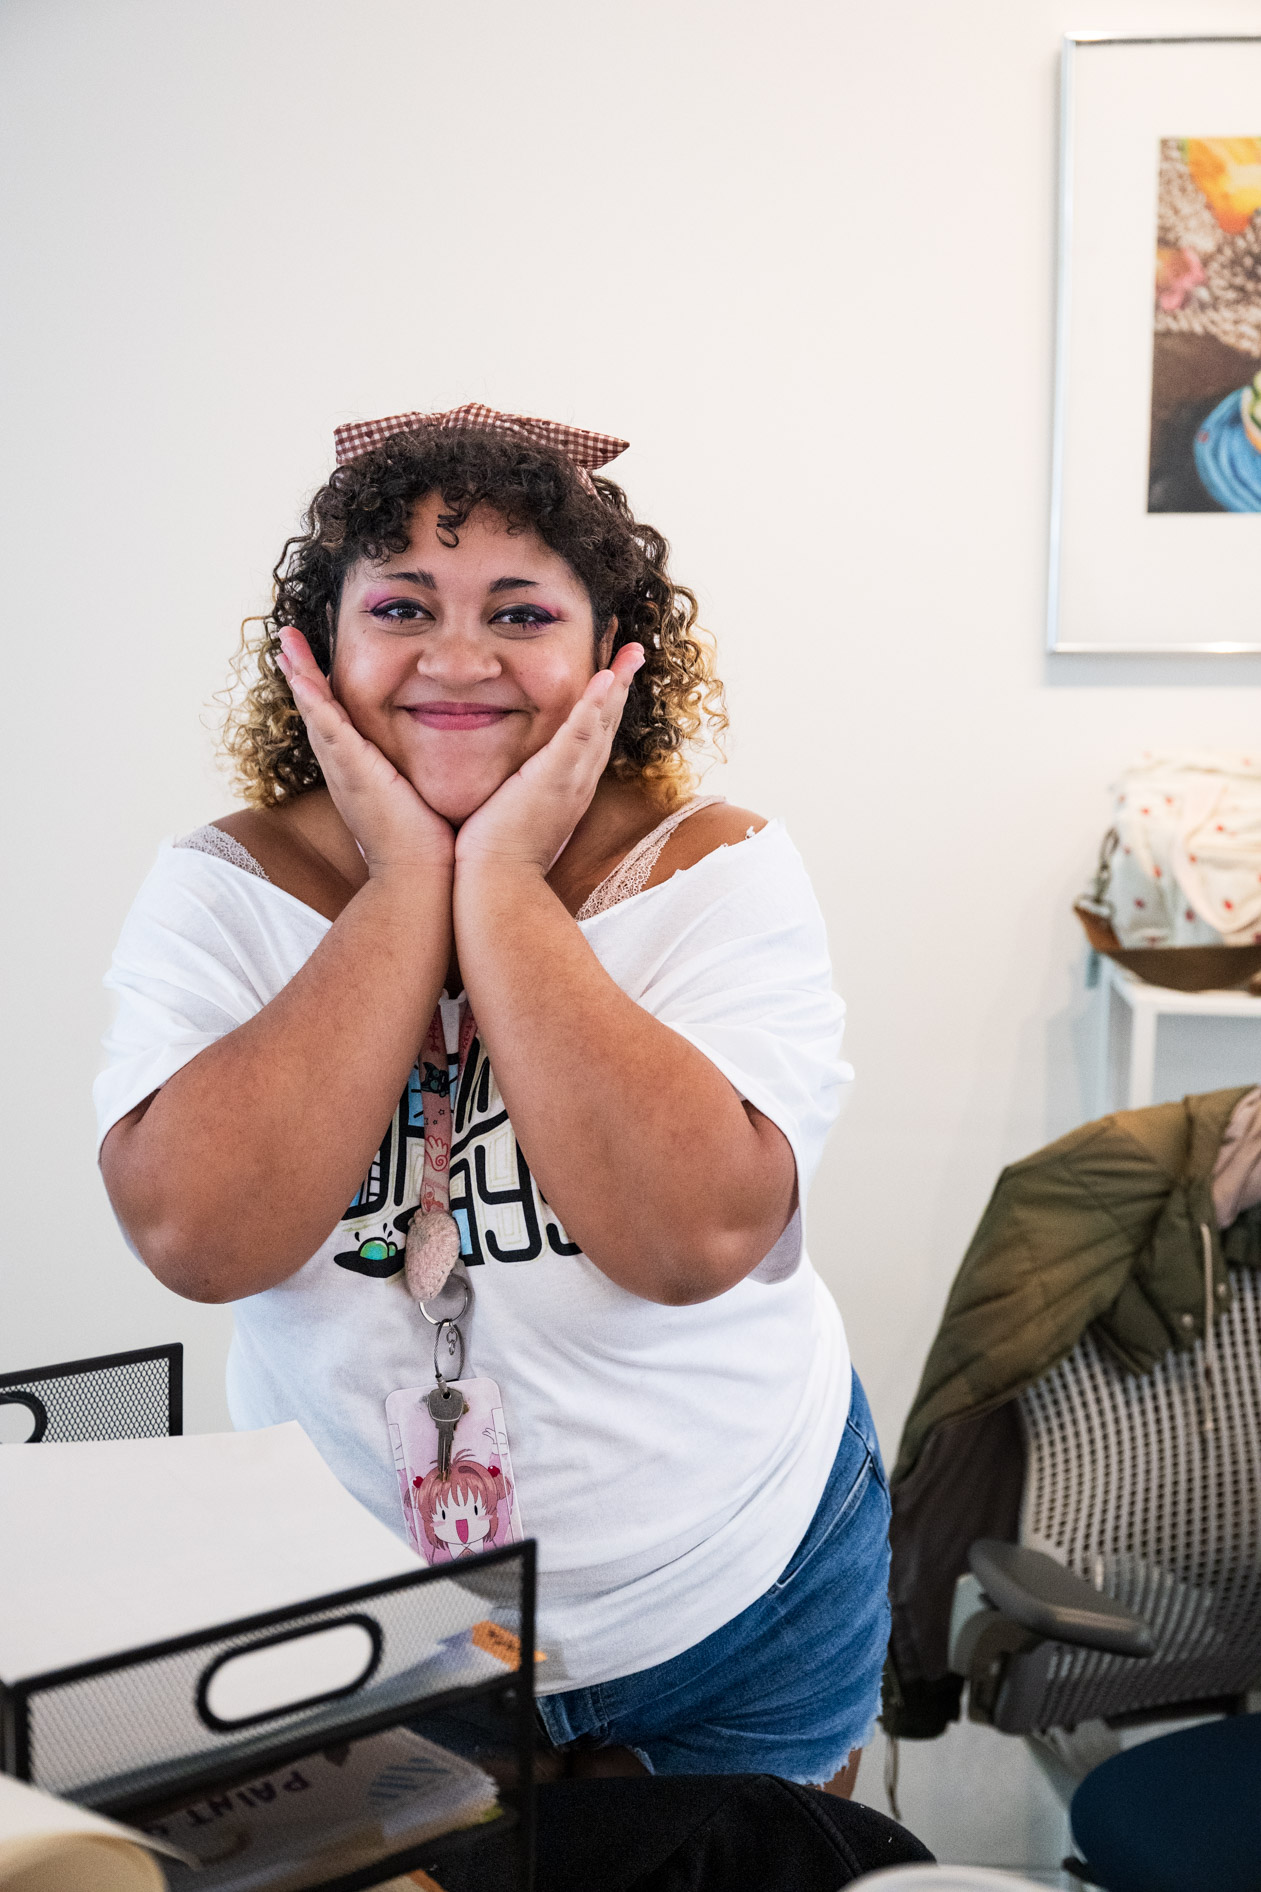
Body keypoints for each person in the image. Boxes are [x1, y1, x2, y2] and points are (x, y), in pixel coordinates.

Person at [95, 403, 890, 1789]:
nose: (456, 658)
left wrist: (504, 888)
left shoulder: (717, 872)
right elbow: (201, 1243)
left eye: (520, 614)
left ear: (611, 659)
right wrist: (409, 887)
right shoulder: (221, 892)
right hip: (376, 1631)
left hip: (735, 1598)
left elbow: (688, 1239)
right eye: (402, 605)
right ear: (319, 648)